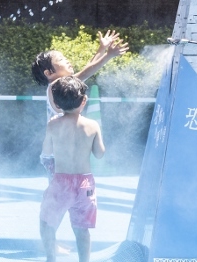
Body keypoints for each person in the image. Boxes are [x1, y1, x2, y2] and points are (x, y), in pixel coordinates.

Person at [37, 76, 105, 262]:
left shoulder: (53, 124)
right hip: (85, 183)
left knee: (46, 222)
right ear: (83, 101)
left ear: (56, 104)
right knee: (82, 229)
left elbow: (46, 150)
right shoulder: (92, 126)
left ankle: (51, 258)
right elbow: (100, 153)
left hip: (61, 182)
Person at [31, 31, 128, 172]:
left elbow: (87, 69)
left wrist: (102, 49)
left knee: (64, 188)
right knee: (63, 188)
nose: (67, 60)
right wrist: (108, 55)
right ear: (48, 73)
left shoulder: (61, 85)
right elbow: (85, 73)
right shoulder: (54, 86)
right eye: (61, 59)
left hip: (62, 153)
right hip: (57, 157)